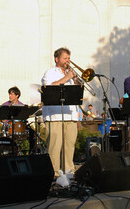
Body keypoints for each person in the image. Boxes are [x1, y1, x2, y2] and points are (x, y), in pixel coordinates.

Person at [42, 47, 80, 177]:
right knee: (54, 148)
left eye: (69, 58)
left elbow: (78, 93)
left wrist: (75, 80)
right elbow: (49, 88)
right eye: (65, 58)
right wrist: (66, 78)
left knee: (69, 147)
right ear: (57, 59)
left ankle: (69, 173)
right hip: (55, 116)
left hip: (71, 115)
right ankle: (54, 175)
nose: (68, 61)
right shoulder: (50, 72)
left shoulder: (70, 73)